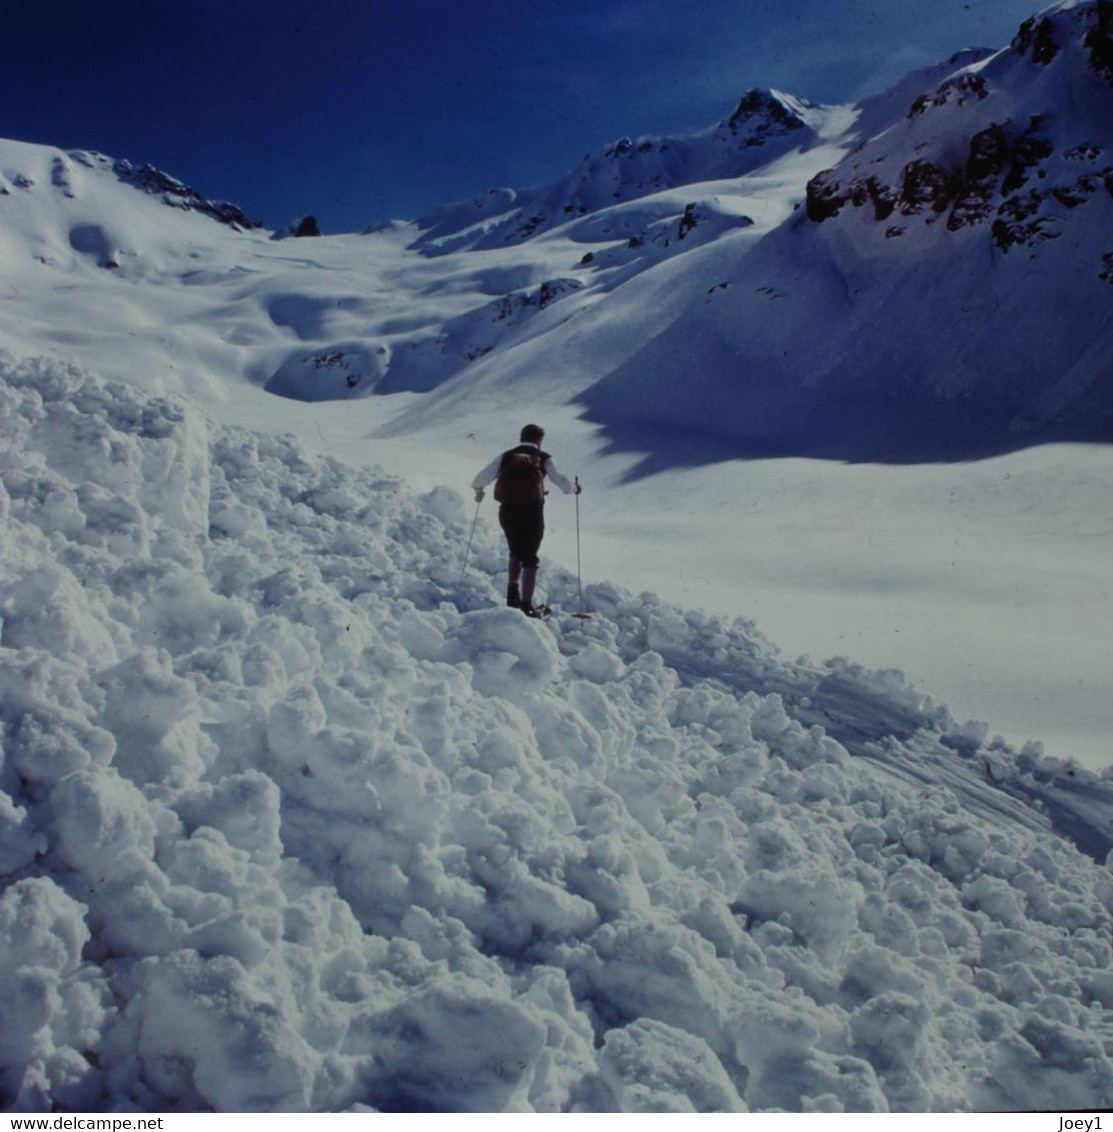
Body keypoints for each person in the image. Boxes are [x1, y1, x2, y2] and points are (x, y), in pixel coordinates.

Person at [472, 424, 581, 617]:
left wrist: (478, 490)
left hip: (506, 511)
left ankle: (512, 595)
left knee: (515, 550)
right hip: (532, 512)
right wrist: (574, 489)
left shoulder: (506, 456)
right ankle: (526, 605)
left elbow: (481, 478)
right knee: (530, 556)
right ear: (539, 440)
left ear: (521, 438)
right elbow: (561, 481)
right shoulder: (544, 458)